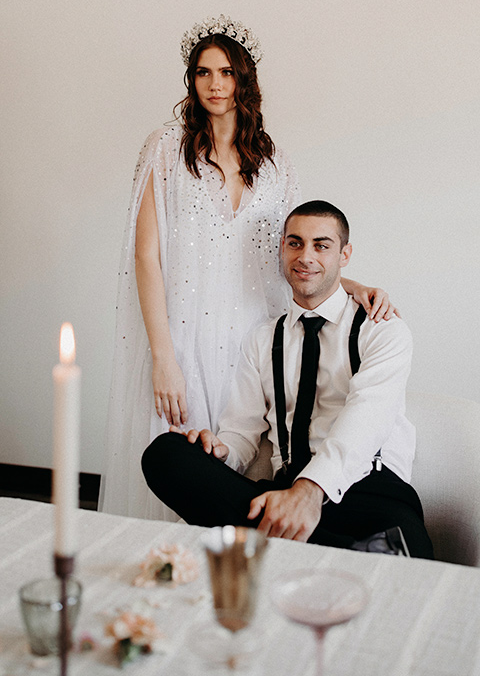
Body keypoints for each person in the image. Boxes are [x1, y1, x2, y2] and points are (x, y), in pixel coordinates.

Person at [100, 16, 396, 521]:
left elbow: (297, 250)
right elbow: (145, 257)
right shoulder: (166, 149)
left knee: (241, 456)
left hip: (253, 339)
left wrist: (352, 285)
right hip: (184, 340)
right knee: (182, 457)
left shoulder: (274, 161)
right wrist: (163, 356)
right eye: (203, 72)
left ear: (244, 81)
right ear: (192, 81)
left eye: (226, 72)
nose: (215, 84)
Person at [142, 200, 433, 558]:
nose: (305, 256)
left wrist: (309, 493)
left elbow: (368, 418)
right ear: (282, 249)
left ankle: (286, 549)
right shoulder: (262, 339)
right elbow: (241, 432)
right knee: (166, 455)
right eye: (295, 243)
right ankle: (352, 555)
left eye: (321, 245)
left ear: (345, 254)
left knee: (411, 547)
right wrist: (220, 452)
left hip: (371, 494)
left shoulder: (382, 329)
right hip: (283, 492)